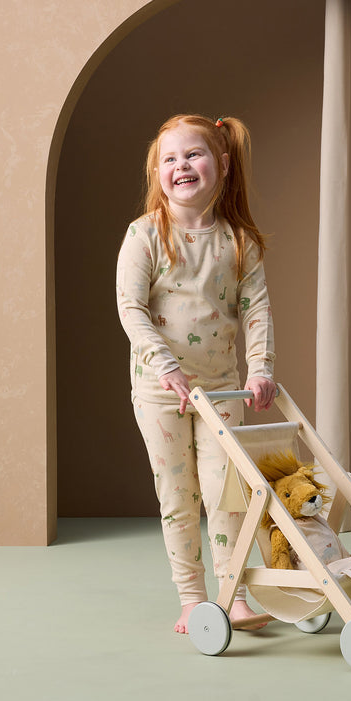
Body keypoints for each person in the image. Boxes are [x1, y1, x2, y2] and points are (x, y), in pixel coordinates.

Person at [116, 113, 276, 633]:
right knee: (178, 496)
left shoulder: (239, 242)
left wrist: (260, 369)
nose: (182, 165)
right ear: (157, 172)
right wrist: (166, 367)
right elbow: (131, 308)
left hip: (221, 388)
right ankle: (192, 598)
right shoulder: (145, 235)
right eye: (170, 158)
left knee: (225, 491)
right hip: (161, 393)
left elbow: (256, 309)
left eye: (194, 155)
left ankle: (233, 595)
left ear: (222, 164)